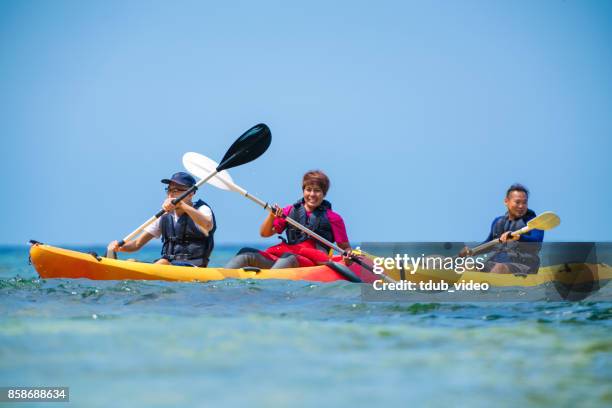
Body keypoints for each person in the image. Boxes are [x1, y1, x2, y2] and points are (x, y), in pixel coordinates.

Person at [225, 170, 351, 269]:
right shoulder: (289, 211)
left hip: (311, 263)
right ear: (303, 191)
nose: (312, 194)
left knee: (289, 257)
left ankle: (269, 284)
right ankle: (219, 279)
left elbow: (345, 248)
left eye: (317, 191)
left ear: (324, 194)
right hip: (284, 260)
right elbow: (264, 233)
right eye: (308, 190)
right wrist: (271, 216)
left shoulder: (334, 218)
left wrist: (348, 257)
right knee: (246, 253)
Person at [107, 172, 216, 267]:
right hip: (168, 264)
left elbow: (207, 225)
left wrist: (182, 205)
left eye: (177, 190)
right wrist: (120, 247)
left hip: (194, 266)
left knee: (162, 262)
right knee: (131, 261)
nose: (171, 194)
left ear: (191, 193)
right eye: (169, 190)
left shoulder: (202, 209)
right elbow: (137, 244)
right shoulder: (164, 215)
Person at [460, 183, 544, 274]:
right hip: (497, 262)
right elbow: (489, 244)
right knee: (466, 266)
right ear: (506, 201)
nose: (521, 206)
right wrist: (472, 251)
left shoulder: (535, 222)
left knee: (499, 268)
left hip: (525, 266)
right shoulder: (498, 222)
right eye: (517, 202)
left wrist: (519, 237)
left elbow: (537, 240)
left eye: (524, 202)